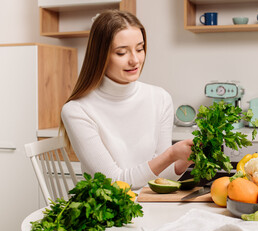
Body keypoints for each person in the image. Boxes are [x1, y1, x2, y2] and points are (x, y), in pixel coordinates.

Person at [60, 9, 193, 189]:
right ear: (100, 56)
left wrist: (184, 159)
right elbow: (115, 183)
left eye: (140, 49)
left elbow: (160, 179)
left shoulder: (160, 98)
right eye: (122, 53)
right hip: (109, 210)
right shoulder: (77, 110)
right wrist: (170, 155)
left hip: (148, 206)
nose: (135, 60)